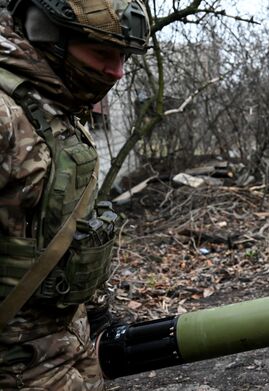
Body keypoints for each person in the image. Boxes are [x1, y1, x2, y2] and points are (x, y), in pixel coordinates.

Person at [0, 0, 149, 389]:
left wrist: (98, 317)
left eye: (123, 57)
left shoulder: (54, 109)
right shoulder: (6, 116)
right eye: (102, 53)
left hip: (67, 352)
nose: (116, 71)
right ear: (45, 35)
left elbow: (66, 232)